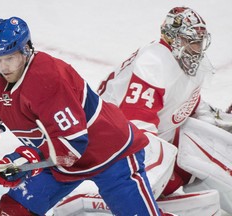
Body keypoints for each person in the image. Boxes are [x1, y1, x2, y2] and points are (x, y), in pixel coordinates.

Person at [0, 17, 168, 216]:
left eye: (10, 58)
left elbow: (72, 143)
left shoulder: (49, 78)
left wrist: (25, 160)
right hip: (58, 159)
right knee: (13, 210)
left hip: (111, 154)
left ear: (26, 51)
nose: (3, 67)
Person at [97, 6, 232, 214]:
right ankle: (130, 201)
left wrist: (218, 122)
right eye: (192, 41)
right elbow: (136, 127)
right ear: (172, 38)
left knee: (202, 137)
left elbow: (186, 102)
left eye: (200, 41)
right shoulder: (153, 63)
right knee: (162, 154)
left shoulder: (185, 60)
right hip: (111, 147)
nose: (198, 48)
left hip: (148, 135)